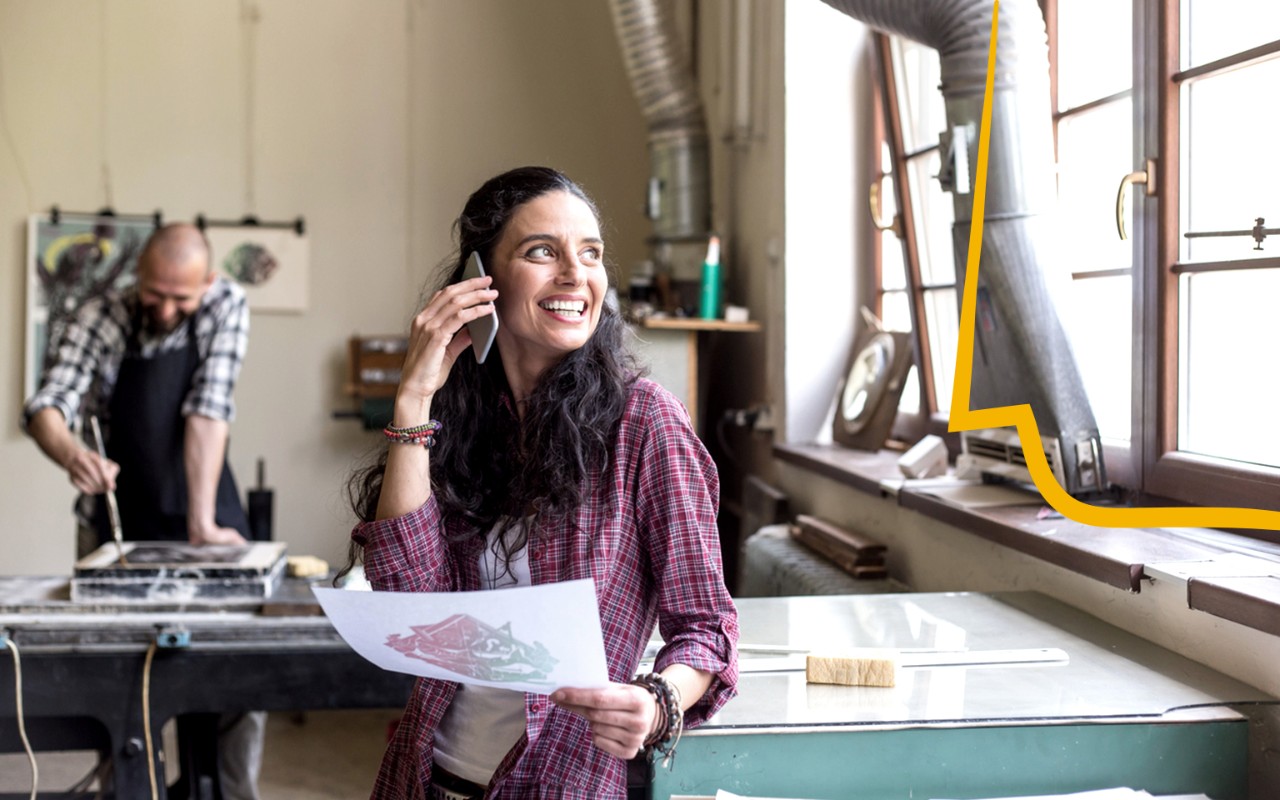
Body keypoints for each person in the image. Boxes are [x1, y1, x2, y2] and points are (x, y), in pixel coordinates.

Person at [345, 166, 739, 799]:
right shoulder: (457, 415)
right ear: (482, 279)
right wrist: (414, 399)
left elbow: (706, 626)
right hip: (427, 775)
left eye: (590, 254)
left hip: (561, 782)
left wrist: (659, 700)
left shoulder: (645, 422)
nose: (574, 275)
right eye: (541, 252)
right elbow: (410, 598)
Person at [22, 221, 263, 800]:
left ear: (206, 282)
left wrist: (201, 526)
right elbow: (46, 404)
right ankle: (131, 789)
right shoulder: (99, 315)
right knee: (122, 679)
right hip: (115, 521)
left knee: (236, 675)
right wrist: (71, 453)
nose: (164, 308)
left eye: (181, 297)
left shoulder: (225, 303)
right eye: (154, 293)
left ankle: (230, 792)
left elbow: (209, 408)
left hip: (204, 512)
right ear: (137, 278)